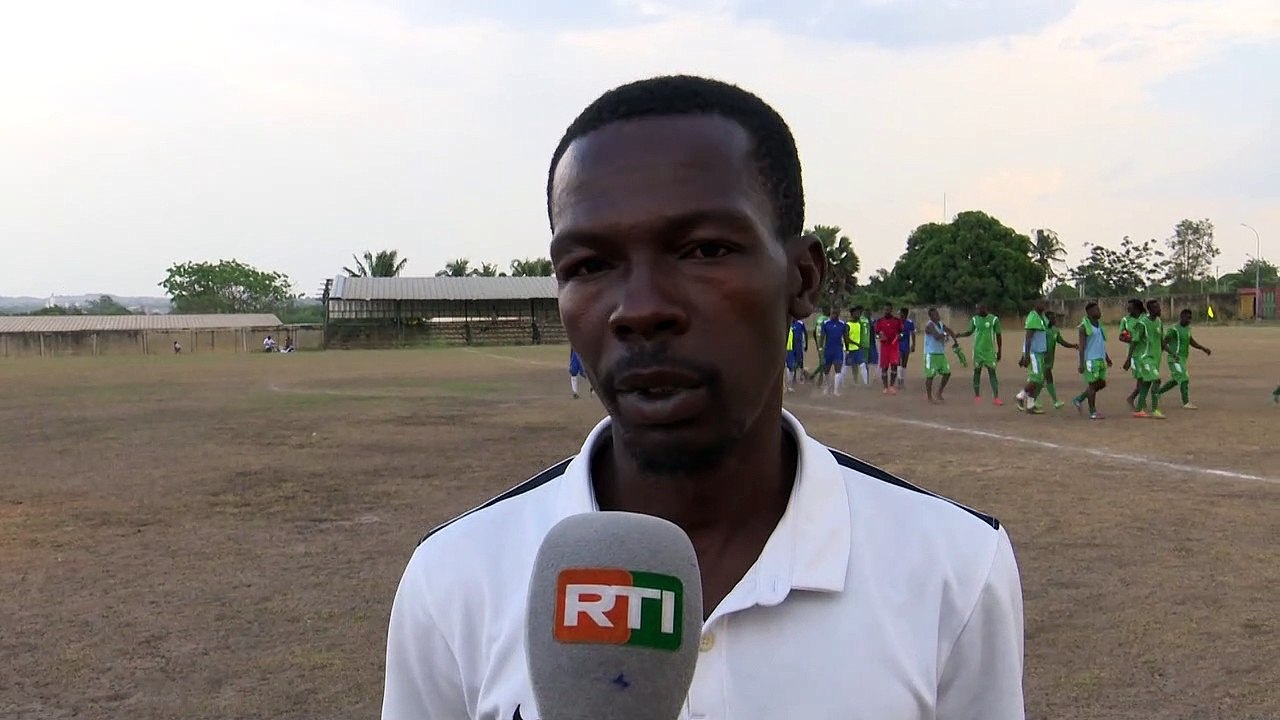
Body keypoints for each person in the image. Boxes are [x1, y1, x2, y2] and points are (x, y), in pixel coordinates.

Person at [382, 75, 1025, 720]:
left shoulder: (954, 569)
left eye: (704, 250)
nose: (639, 310)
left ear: (802, 279)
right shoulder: (454, 581)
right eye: (588, 265)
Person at [1157, 309, 1211, 409]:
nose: (1189, 320)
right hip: (1175, 359)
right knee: (1184, 378)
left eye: (1190, 318)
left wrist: (1203, 348)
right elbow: (1163, 343)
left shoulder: (1187, 329)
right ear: (1181, 317)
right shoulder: (1174, 329)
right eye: (1187, 318)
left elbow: (1191, 341)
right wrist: (1170, 354)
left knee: (1176, 380)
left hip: (1182, 359)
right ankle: (1186, 403)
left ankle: (1157, 393)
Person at [1123, 299, 1166, 419]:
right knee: (1156, 380)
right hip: (1145, 358)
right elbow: (1134, 342)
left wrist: (1172, 353)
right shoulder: (1142, 324)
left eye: (1159, 307)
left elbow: (1162, 341)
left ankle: (1139, 409)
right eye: (1157, 308)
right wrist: (1128, 359)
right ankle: (1155, 409)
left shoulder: (1158, 321)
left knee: (1145, 384)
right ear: (1150, 310)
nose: (1160, 309)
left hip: (1156, 358)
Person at [956, 302, 1003, 406]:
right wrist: (959, 335)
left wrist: (999, 350)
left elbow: (999, 335)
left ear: (984, 308)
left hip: (990, 351)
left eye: (978, 309)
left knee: (992, 373)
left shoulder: (994, 319)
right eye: (976, 309)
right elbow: (969, 332)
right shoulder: (974, 319)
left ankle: (996, 397)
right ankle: (977, 395)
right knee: (977, 372)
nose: (977, 311)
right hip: (978, 351)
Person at [1071, 302, 1112, 420]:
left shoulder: (1099, 325)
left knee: (1101, 383)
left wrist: (1107, 358)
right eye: (1096, 310)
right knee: (1092, 386)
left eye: (1099, 309)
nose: (1099, 312)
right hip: (1090, 361)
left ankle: (1079, 399)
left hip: (1100, 359)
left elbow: (1100, 344)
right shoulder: (1084, 327)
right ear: (1089, 312)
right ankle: (1092, 412)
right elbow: (1082, 346)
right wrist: (1081, 363)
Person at [1014, 301, 1050, 414]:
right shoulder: (1033, 317)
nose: (1044, 305)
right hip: (1034, 353)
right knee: (1036, 378)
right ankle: (1020, 396)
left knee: (1039, 381)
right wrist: (1026, 355)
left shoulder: (1042, 317)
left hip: (1040, 353)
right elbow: (1028, 337)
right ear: (1035, 305)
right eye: (1041, 303)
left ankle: (1030, 405)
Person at [1041, 311, 1079, 409]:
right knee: (1046, 379)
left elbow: (1061, 341)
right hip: (1041, 360)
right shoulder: (1042, 331)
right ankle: (1055, 401)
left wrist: (1073, 345)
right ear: (1048, 320)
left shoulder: (1055, 331)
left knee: (1040, 381)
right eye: (1053, 318)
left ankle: (1031, 399)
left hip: (1049, 360)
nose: (1055, 320)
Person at [923, 308, 961, 404]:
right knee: (930, 376)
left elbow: (950, 331)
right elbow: (936, 336)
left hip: (940, 353)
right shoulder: (929, 325)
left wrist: (955, 341)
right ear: (931, 317)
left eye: (937, 314)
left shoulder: (940, 324)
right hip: (931, 354)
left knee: (947, 373)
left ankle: (939, 392)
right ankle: (929, 397)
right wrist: (945, 334)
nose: (937, 316)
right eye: (935, 315)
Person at [1119, 298, 1144, 410]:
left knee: (1147, 377)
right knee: (1142, 378)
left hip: (1147, 351)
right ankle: (1133, 398)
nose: (1128, 308)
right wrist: (1131, 339)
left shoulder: (1145, 318)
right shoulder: (1125, 320)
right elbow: (1121, 337)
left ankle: (1137, 399)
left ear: (1137, 308)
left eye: (1130, 307)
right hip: (1134, 354)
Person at [874, 304, 904, 394]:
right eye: (885, 309)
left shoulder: (896, 321)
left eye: (888, 310)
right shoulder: (879, 321)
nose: (886, 311)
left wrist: (899, 336)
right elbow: (876, 334)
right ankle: (885, 387)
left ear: (891, 310)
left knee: (894, 365)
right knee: (884, 367)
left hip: (894, 346)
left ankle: (891, 386)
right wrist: (880, 336)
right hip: (884, 347)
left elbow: (902, 333)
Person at [820, 308, 849, 396]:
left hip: (838, 349)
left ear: (838, 314)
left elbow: (845, 337)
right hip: (828, 349)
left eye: (835, 314)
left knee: (838, 369)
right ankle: (827, 386)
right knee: (826, 370)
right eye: (832, 313)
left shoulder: (842, 324)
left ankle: (836, 390)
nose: (833, 315)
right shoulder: (825, 323)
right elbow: (822, 336)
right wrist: (820, 347)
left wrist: (847, 348)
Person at [785, 316, 808, 391]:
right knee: (791, 364)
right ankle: (792, 379)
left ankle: (801, 376)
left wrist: (806, 344)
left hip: (798, 346)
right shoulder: (788, 324)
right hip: (790, 347)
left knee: (800, 362)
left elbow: (806, 333)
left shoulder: (800, 323)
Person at [897, 307, 915, 389]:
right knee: (899, 362)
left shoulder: (909, 323)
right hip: (898, 345)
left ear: (904, 314)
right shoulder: (897, 322)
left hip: (906, 345)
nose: (899, 315)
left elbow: (913, 333)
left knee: (904, 364)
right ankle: (899, 380)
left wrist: (914, 344)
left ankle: (902, 380)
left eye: (900, 313)